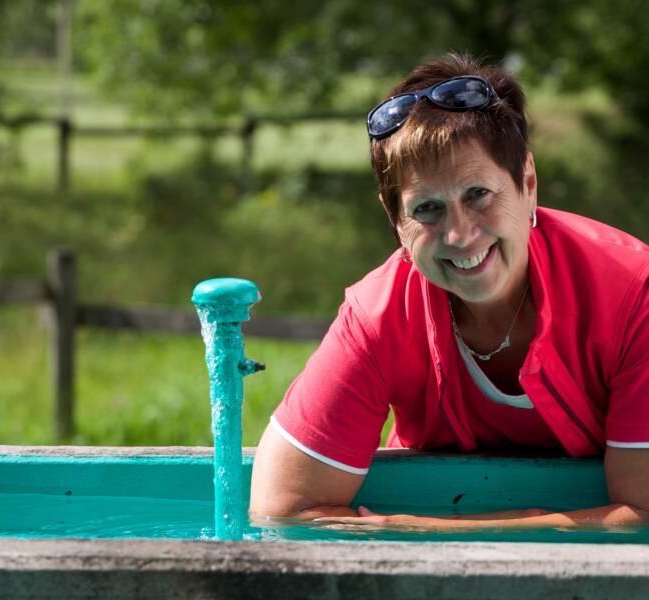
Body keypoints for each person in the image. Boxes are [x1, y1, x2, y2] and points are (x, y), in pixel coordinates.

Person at [249, 53, 649, 530]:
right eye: (427, 209)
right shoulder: (376, 315)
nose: (459, 235)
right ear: (395, 219)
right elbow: (282, 510)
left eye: (478, 194)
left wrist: (437, 531)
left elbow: (644, 514)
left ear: (527, 182)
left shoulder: (633, 293)